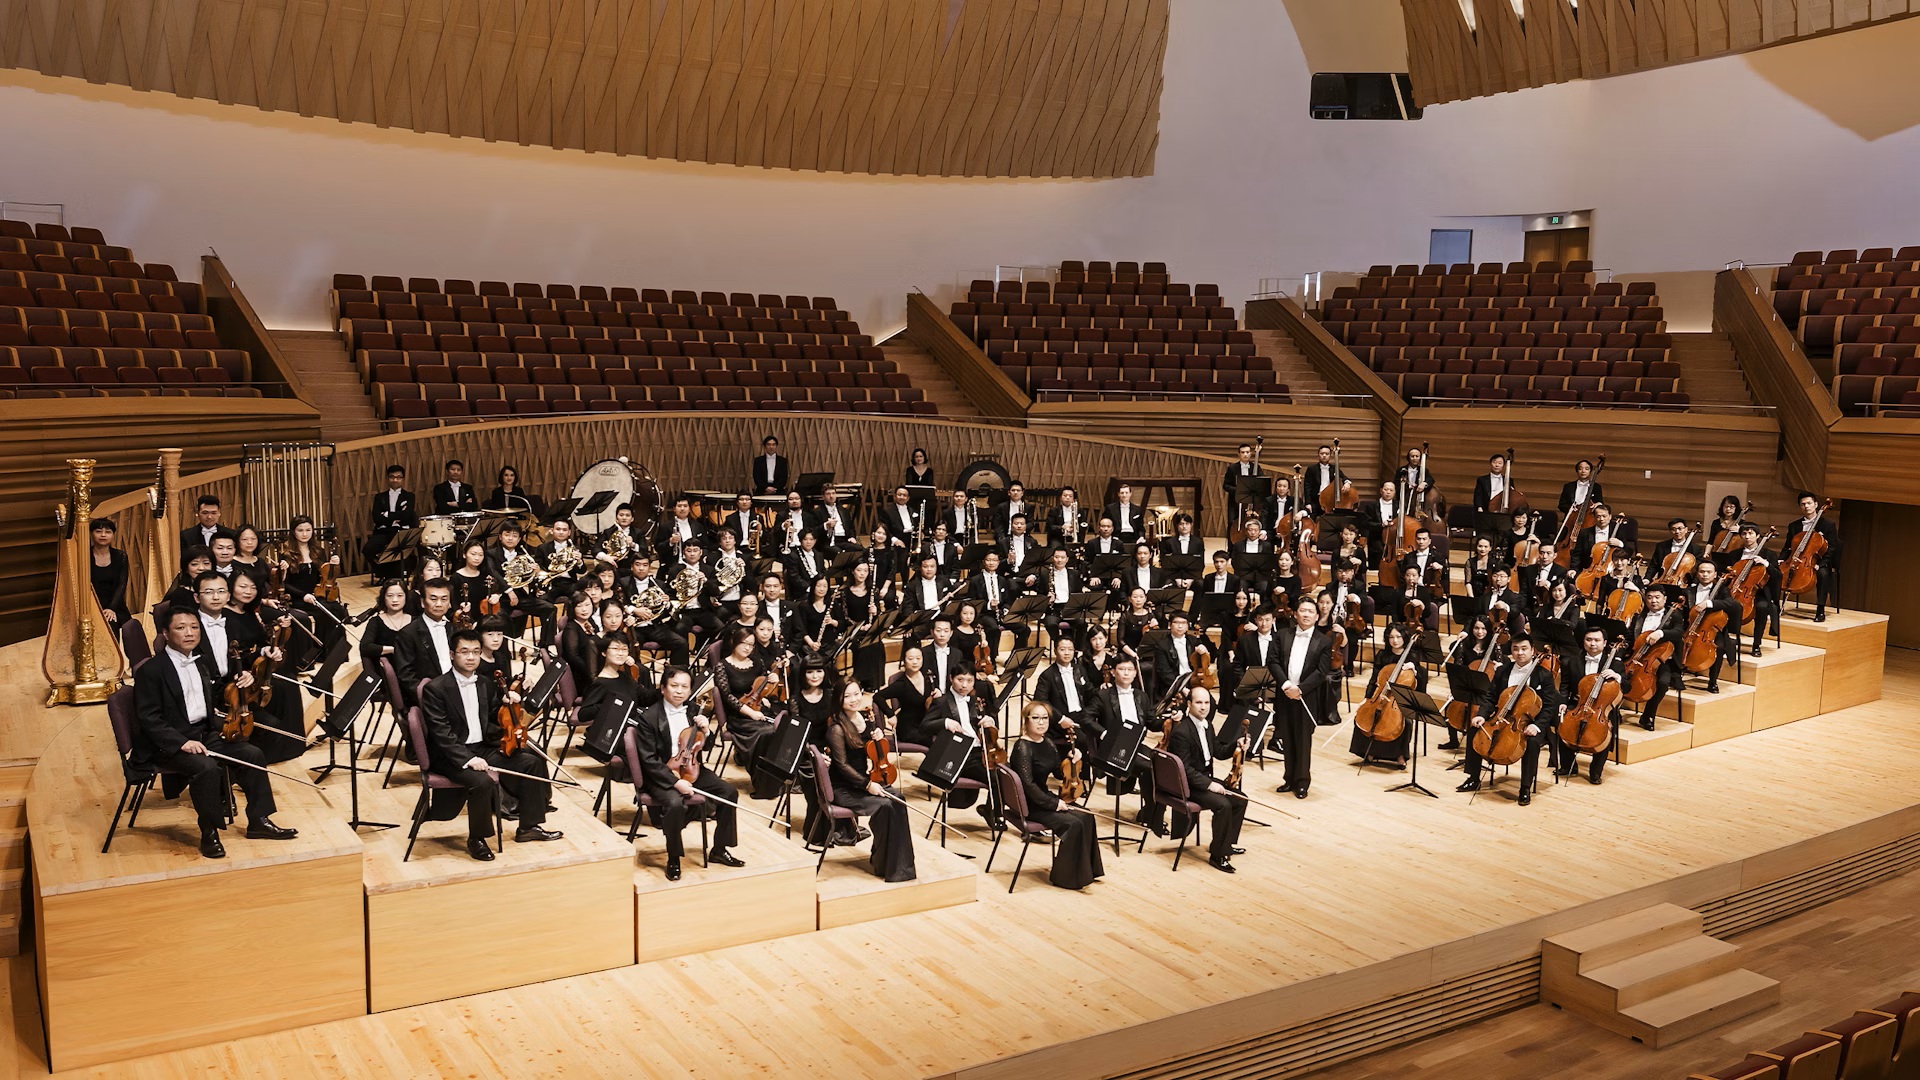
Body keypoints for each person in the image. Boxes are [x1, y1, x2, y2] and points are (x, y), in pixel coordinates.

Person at [133, 608, 299, 858]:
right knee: (207, 768)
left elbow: (214, 697)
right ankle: (208, 831)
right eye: (181, 628)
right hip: (167, 743)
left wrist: (243, 679)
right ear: (165, 633)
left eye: (194, 627)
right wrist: (182, 742)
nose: (189, 633)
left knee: (252, 753)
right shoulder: (151, 670)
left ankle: (258, 821)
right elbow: (149, 719)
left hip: (203, 731)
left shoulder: (200, 663)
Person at [417, 628, 562, 860]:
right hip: (451, 756)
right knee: (482, 782)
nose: (471, 657)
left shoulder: (484, 683)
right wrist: (467, 759)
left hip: (483, 748)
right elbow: (441, 733)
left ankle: (529, 827)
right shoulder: (436, 689)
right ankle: (478, 838)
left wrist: (508, 703)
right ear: (452, 654)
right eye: (464, 652)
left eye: (475, 651)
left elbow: (493, 715)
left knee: (531, 762)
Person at [633, 667, 744, 880]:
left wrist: (708, 731)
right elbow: (648, 760)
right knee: (674, 804)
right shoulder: (649, 717)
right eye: (674, 686)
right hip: (662, 774)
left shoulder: (694, 710)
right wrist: (675, 783)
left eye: (685, 687)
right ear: (663, 688)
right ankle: (674, 857)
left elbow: (706, 746)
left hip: (691, 768)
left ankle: (719, 849)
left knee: (729, 792)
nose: (679, 691)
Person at [809, 683, 914, 880]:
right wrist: (867, 785)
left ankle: (897, 864)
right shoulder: (836, 729)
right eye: (848, 696)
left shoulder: (865, 719)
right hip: (845, 787)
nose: (854, 699)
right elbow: (842, 766)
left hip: (865, 779)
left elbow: (871, 751)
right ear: (839, 700)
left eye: (857, 694)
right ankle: (886, 864)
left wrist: (879, 737)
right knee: (885, 806)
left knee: (898, 799)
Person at [1008, 701, 1104, 889]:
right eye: (1035, 718)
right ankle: (1066, 878)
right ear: (1026, 721)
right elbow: (1028, 785)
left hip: (1042, 798)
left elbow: (1059, 773)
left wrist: (1072, 760)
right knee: (1074, 823)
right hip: (1030, 804)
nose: (1041, 722)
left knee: (1087, 816)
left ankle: (1087, 872)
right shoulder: (1023, 747)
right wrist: (1054, 803)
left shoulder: (1048, 742)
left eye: (1045, 718)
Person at [1457, 635, 1562, 806]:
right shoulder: (1503, 671)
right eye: (1515, 649)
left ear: (1532, 650)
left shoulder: (1543, 675)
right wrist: (1482, 715)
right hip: (1501, 718)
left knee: (1533, 742)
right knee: (1475, 728)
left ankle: (1525, 787)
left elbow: (1549, 707)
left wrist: (1537, 725)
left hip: (1530, 723)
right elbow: (1490, 698)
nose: (1519, 653)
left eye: (1523, 648)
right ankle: (1473, 777)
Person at [1163, 684, 1248, 873]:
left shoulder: (1207, 725)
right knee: (1223, 804)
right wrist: (1210, 784)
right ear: (1189, 704)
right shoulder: (1182, 732)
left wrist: (1237, 744)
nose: (1203, 707)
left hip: (1202, 780)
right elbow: (1183, 769)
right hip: (1188, 786)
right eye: (1199, 702)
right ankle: (1218, 856)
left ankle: (1223, 844)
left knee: (1240, 799)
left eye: (1207, 702)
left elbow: (1217, 751)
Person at [1272, 597, 1333, 799]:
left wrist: (1300, 689)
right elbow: (1273, 662)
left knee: (1303, 740)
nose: (1306, 614)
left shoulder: (1323, 641)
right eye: (1302, 610)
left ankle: (1301, 782)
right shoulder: (1282, 635)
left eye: (1310, 611)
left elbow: (1321, 671)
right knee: (1287, 737)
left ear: (1317, 617)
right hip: (1285, 694)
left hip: (1306, 697)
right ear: (1295, 614)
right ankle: (1288, 778)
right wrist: (1286, 685)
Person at [1553, 626, 1625, 784]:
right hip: (1578, 703)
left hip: (1603, 708)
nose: (1593, 643)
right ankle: (1567, 766)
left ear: (1605, 643)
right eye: (1589, 640)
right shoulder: (1571, 661)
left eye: (1597, 640)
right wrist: (1563, 703)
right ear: (1583, 642)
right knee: (1562, 723)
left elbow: (1627, 687)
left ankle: (1595, 771)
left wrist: (1617, 677)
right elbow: (1564, 686)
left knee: (1605, 731)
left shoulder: (1614, 663)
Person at [1351, 622, 1423, 767]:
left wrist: (1414, 670)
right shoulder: (1382, 655)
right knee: (1364, 716)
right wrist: (1366, 698)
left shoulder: (1412, 656)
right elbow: (1374, 679)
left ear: (1404, 637)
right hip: (1381, 695)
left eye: (1398, 636)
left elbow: (1419, 684)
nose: (1395, 640)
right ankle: (1370, 752)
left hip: (1400, 700)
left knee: (1405, 722)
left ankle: (1400, 756)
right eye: (1391, 637)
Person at [1624, 585, 1683, 730]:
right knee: (1620, 675)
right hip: (1636, 657)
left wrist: (1661, 633)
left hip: (1662, 661)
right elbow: (1630, 637)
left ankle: (1648, 715)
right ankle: (1614, 712)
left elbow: (1678, 633)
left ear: (1665, 599)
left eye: (1657, 597)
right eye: (1649, 598)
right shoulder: (1639, 616)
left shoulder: (1674, 615)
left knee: (1663, 682)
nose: (1653, 601)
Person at [394, 578, 456, 707]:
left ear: (449, 603)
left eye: (444, 599)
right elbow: (406, 676)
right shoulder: (408, 634)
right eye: (433, 599)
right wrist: (430, 695)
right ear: (422, 602)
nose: (439, 604)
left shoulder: (454, 629)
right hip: (429, 699)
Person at [1782, 491, 1838, 621]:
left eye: (1809, 503)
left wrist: (1821, 564)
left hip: (1819, 560)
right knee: (1779, 571)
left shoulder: (1828, 525)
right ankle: (1778, 606)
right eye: (1803, 504)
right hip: (1796, 559)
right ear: (1800, 507)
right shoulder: (1794, 526)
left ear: (1816, 504)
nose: (1806, 506)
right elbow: (1787, 547)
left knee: (1823, 574)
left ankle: (1820, 610)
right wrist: (1781, 560)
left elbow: (1832, 547)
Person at [365, 464, 418, 574]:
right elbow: (376, 518)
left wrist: (387, 514)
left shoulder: (409, 496)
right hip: (383, 531)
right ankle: (381, 572)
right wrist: (397, 516)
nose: (395, 480)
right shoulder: (380, 497)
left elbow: (406, 516)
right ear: (388, 479)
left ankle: (397, 572)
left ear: (403, 479)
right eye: (392, 477)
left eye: (398, 477)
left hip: (401, 531)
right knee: (368, 549)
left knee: (400, 549)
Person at [88, 518, 131, 630]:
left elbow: (121, 585)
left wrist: (111, 608)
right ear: (91, 533)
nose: (103, 535)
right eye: (98, 531)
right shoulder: (85, 556)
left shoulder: (120, 556)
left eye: (108, 532)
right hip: (90, 605)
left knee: (111, 621)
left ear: (113, 535)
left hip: (115, 604)